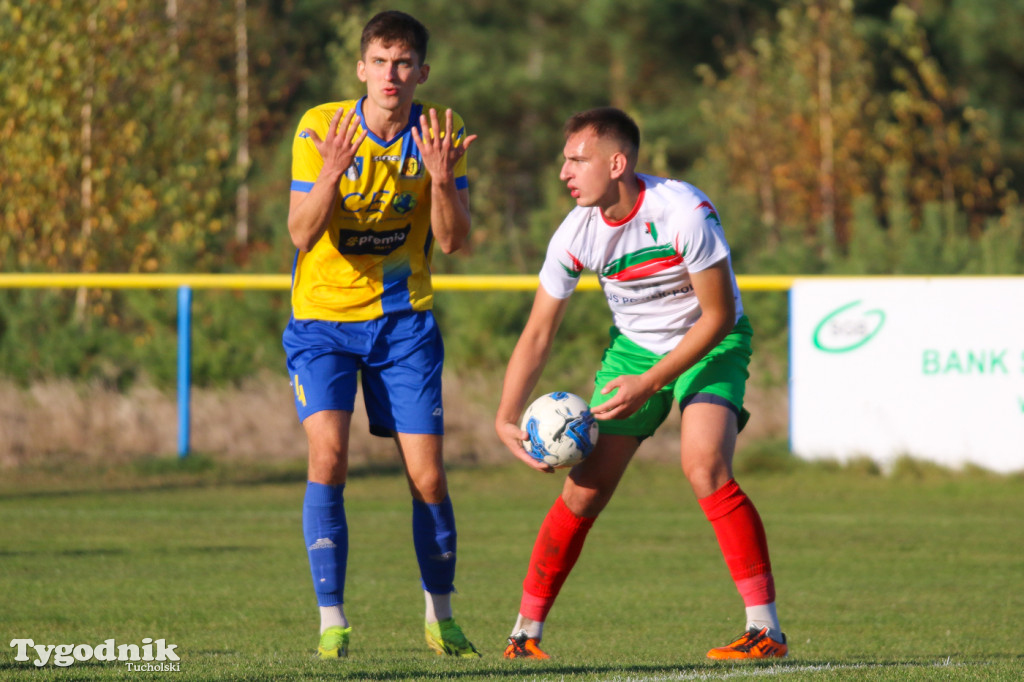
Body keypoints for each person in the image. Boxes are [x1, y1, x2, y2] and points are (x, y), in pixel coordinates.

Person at [494, 107, 787, 661]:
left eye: (577, 160)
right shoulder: (573, 233)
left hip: (710, 342)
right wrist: (505, 417)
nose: (565, 172)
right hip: (633, 351)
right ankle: (523, 635)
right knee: (583, 491)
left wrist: (650, 383)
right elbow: (537, 334)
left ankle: (765, 631)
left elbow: (719, 316)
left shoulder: (684, 212)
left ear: (618, 162)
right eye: (565, 161)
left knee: (704, 465)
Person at [282, 10, 480, 660]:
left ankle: (441, 618)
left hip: (404, 326)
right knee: (328, 460)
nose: (391, 75)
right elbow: (300, 234)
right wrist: (334, 172)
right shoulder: (321, 127)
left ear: (421, 71)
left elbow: (453, 243)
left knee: (427, 478)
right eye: (380, 62)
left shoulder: (436, 134)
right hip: (323, 323)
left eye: (404, 64)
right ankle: (332, 621)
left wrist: (443, 180)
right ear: (361, 67)